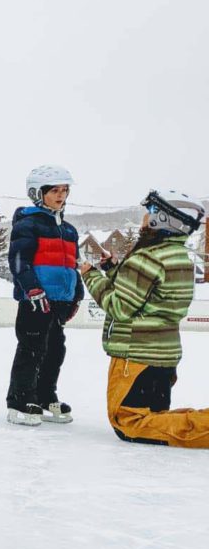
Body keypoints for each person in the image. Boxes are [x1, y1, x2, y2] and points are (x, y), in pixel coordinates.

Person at [80, 190, 209, 447]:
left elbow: (120, 307)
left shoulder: (147, 257)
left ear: (163, 219)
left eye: (149, 214)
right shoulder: (178, 257)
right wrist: (112, 269)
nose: (143, 220)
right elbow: (148, 295)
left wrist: (91, 276)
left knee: (129, 423)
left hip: (137, 358)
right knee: (155, 419)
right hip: (163, 359)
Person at [5, 165, 84, 426]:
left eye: (64, 190)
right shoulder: (28, 224)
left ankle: (44, 395)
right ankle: (19, 400)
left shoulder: (69, 230)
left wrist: (77, 294)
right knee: (31, 348)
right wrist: (33, 290)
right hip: (35, 301)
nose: (61, 195)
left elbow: (74, 264)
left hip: (60, 301)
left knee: (54, 350)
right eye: (54, 191)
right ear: (38, 193)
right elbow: (18, 261)